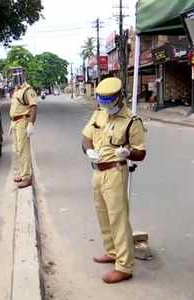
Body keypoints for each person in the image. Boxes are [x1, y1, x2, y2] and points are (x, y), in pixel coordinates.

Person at [81, 77, 146, 284]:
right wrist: (89, 150)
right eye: (102, 99)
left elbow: (141, 153)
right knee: (103, 215)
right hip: (97, 171)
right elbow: (86, 136)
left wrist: (128, 153)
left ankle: (124, 266)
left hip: (116, 172)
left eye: (109, 100)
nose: (105, 104)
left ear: (119, 97)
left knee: (118, 218)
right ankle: (112, 251)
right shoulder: (99, 112)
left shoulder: (131, 121)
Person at [9, 67, 38, 189]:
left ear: (23, 75)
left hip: (23, 121)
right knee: (17, 149)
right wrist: (12, 123)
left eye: (18, 74)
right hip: (15, 122)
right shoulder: (16, 90)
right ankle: (22, 173)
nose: (15, 77)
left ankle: (27, 177)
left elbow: (33, 107)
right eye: (14, 75)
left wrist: (31, 123)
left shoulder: (28, 90)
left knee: (23, 149)